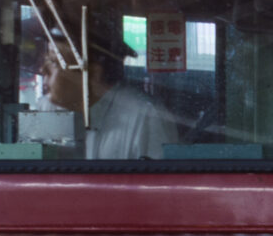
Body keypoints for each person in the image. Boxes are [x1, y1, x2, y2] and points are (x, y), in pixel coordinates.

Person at [43, 23, 178, 160]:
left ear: (92, 74)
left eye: (54, 62)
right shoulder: (46, 109)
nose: (43, 70)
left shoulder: (145, 119)